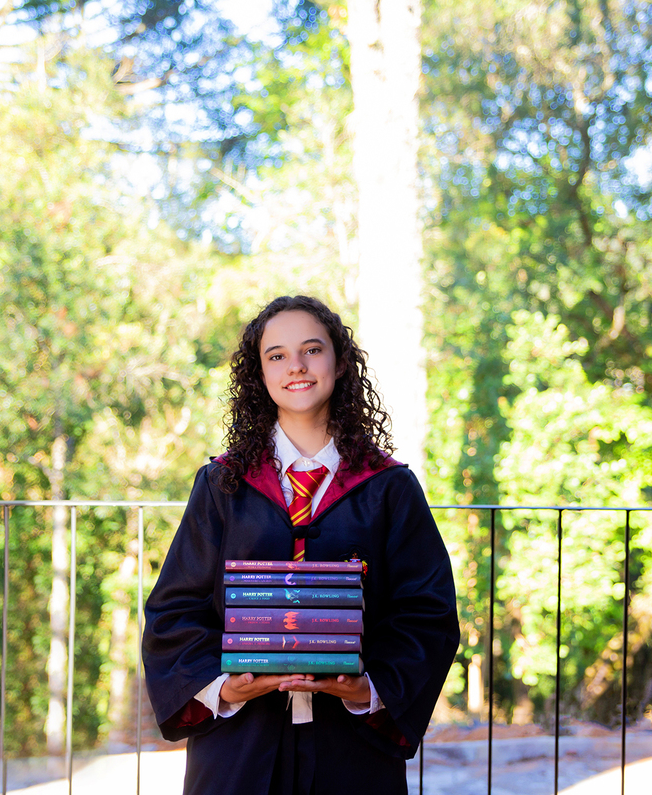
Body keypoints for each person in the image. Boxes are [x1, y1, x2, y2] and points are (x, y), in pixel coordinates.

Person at [142, 295, 459, 795]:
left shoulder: (388, 486)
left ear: (339, 362)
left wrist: (367, 688)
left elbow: (427, 612)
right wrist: (225, 686)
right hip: (238, 744)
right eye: (277, 355)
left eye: (312, 350)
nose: (296, 366)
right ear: (259, 374)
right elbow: (175, 608)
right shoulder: (222, 484)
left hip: (353, 750)